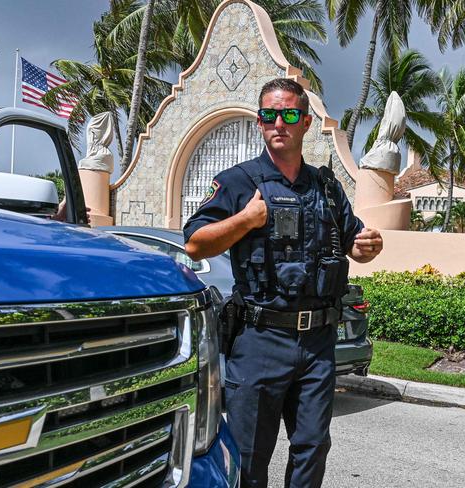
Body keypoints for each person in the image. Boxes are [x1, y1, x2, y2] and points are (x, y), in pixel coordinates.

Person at [183, 78, 383, 488]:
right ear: (259, 123)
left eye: (289, 115)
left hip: (317, 344)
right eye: (269, 115)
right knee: (250, 453)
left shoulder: (326, 188)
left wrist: (368, 245)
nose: (279, 123)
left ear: (306, 122)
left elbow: (354, 243)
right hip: (259, 339)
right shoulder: (239, 182)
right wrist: (245, 220)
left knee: (312, 448)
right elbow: (194, 244)